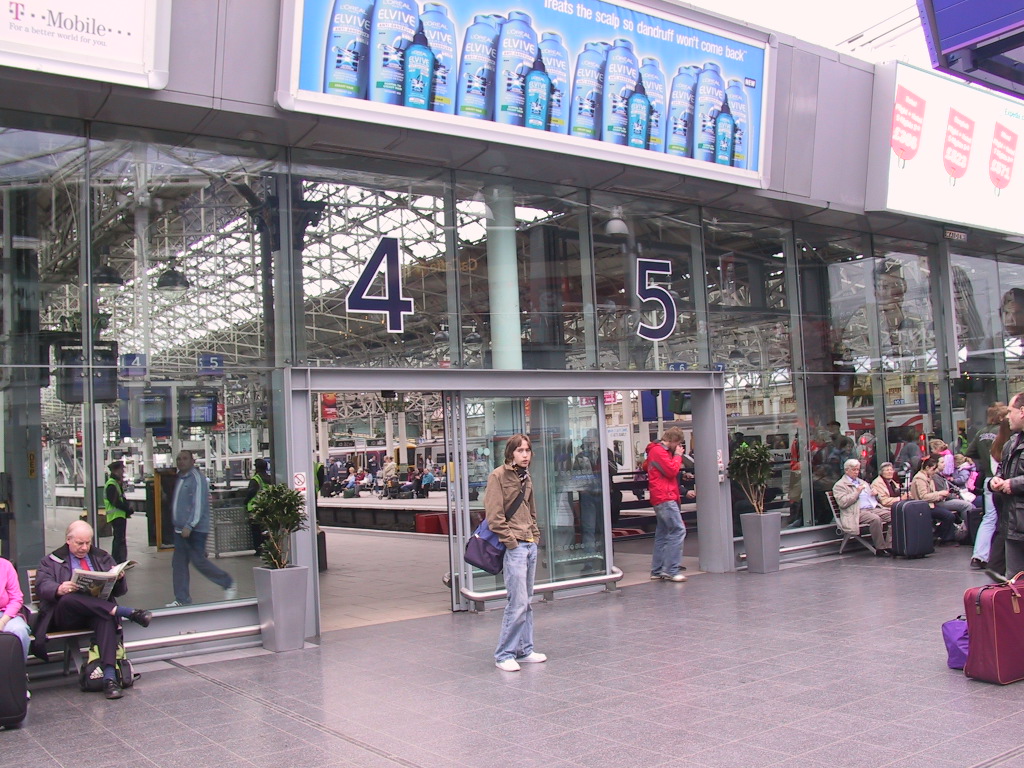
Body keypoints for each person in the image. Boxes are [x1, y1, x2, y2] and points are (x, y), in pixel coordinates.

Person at [32, 521, 151, 699]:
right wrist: (58, 588)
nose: (85, 547)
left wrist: (118, 578)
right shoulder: (51, 560)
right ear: (68, 540)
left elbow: (119, 591)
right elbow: (42, 586)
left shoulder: (101, 556)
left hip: (95, 612)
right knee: (69, 598)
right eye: (80, 543)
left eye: (88, 543)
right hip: (65, 615)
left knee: (105, 618)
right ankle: (125, 612)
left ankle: (109, 679)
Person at [486, 434, 546, 672]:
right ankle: (504, 654)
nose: (525, 454)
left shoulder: (526, 477)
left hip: (529, 542)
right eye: (520, 450)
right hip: (516, 546)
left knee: (526, 601)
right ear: (510, 453)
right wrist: (511, 542)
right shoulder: (498, 476)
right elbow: (494, 516)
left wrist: (535, 534)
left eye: (527, 450)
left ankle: (525, 649)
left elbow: (531, 509)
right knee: (517, 602)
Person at [166, 450, 236, 607]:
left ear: (192, 461)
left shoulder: (196, 478)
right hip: (180, 531)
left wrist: (189, 525)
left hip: (194, 531)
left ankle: (227, 582)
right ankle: (182, 599)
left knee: (199, 561)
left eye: (184, 458)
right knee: (178, 564)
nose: (181, 461)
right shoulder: (180, 478)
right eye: (178, 459)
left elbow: (198, 504)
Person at [966, 404, 1008, 569]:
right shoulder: (1005, 433)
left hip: (990, 480)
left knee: (989, 518)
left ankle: (979, 556)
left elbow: (970, 453)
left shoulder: (981, 433)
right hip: (1005, 480)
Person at [645, 427, 687, 582]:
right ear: (674, 441)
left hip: (661, 496)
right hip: (665, 496)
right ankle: (671, 569)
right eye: (678, 444)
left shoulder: (654, 451)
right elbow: (671, 471)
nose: (679, 447)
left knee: (663, 534)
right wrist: (677, 457)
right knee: (678, 530)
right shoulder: (659, 451)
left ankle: (657, 570)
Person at [989, 393, 1024, 576]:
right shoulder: (1010, 444)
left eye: (1011, 411)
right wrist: (996, 481)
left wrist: (1014, 484)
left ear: (1022, 412)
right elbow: (1002, 471)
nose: (1007, 416)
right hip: (1013, 523)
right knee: (1015, 584)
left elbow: (1014, 480)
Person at [832, 459, 892, 556]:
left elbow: (874, 498)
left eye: (858, 470)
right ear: (846, 470)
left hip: (872, 508)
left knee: (893, 515)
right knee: (875, 519)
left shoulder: (862, 482)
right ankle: (880, 548)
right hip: (855, 512)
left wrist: (875, 494)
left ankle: (890, 545)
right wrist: (856, 492)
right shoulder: (840, 485)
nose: (856, 472)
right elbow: (843, 503)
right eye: (854, 470)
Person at [909, 458, 958, 544]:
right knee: (949, 516)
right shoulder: (920, 478)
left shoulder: (928, 477)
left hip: (930, 504)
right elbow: (924, 496)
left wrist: (941, 496)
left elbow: (932, 494)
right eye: (933, 469)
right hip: (922, 506)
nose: (934, 471)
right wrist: (939, 493)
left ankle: (941, 535)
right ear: (927, 468)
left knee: (951, 515)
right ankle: (941, 536)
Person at [103, 460, 133, 565]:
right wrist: (127, 509)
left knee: (120, 539)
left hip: (119, 515)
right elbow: (115, 502)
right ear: (116, 471)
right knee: (119, 540)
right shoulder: (111, 484)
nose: (123, 471)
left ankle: (121, 560)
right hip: (116, 516)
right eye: (121, 469)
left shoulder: (115, 483)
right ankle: (117, 561)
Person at [0, 555, 30, 658]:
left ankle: (17, 672)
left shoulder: (5, 565)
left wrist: (3, 621)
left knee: (19, 630)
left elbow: (16, 598)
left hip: (5, 614)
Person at [244, 459, 272, 555]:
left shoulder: (256, 479)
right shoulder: (270, 478)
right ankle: (268, 547)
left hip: (255, 508)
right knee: (266, 529)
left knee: (256, 530)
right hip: (267, 507)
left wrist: (245, 502)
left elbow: (250, 493)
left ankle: (259, 549)